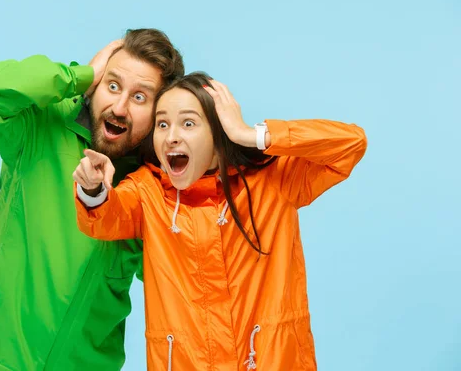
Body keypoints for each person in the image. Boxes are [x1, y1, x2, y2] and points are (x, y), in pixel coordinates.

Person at [73, 72, 367, 370]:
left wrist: (251, 135)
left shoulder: (274, 181)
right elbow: (106, 216)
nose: (172, 136)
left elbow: (351, 144)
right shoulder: (149, 191)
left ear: (218, 132)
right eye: (162, 124)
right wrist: (93, 187)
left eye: (188, 123)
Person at [0, 29, 184, 371]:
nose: (119, 108)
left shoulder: (153, 187)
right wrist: (78, 77)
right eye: (113, 85)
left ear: (158, 113)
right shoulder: (41, 124)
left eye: (139, 98)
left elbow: (175, 280)